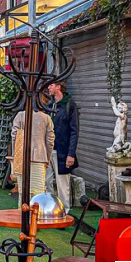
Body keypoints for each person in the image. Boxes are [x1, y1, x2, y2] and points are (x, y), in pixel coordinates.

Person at [11, 110, 55, 207]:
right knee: (37, 194)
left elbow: (14, 135)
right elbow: (50, 141)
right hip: (39, 157)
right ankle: (34, 219)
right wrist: (47, 158)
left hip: (22, 158)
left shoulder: (20, 115)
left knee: (23, 194)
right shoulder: (46, 118)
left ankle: (22, 217)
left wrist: (16, 155)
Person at [46, 81, 79, 211]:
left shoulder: (70, 105)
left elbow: (74, 131)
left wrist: (71, 154)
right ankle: (49, 209)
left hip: (63, 151)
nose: (48, 87)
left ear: (58, 87)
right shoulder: (49, 105)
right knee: (47, 182)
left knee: (62, 184)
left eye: (51, 85)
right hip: (49, 151)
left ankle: (65, 211)